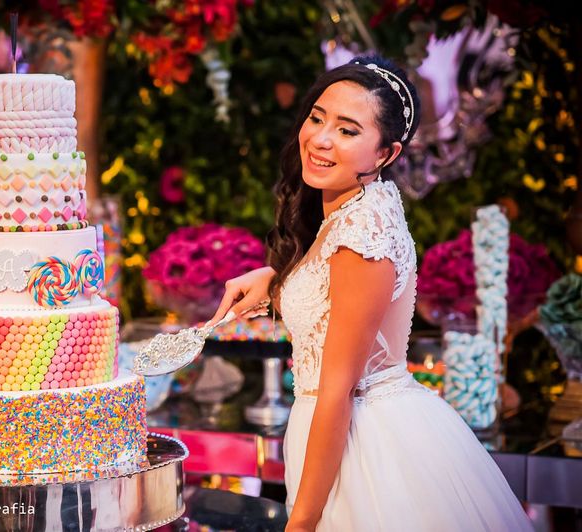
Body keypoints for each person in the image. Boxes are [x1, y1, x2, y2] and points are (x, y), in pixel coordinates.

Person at [208, 54, 533, 531]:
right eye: (317, 118)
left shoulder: (363, 232)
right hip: (342, 432)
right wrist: (277, 282)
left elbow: (338, 391)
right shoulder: (360, 204)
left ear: (386, 154)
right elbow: (336, 297)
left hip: (363, 447)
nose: (320, 139)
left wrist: (302, 523)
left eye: (347, 130)